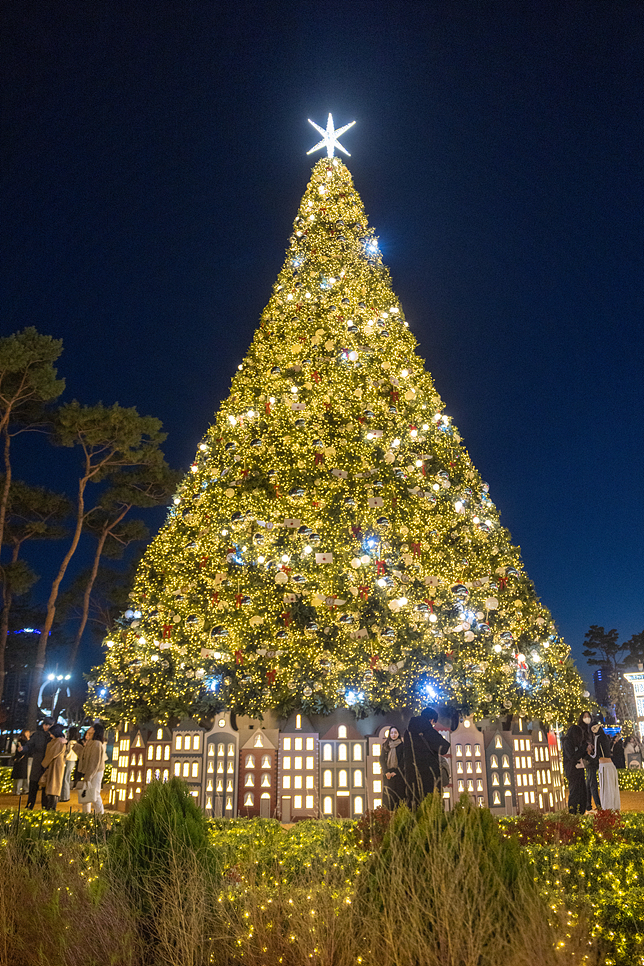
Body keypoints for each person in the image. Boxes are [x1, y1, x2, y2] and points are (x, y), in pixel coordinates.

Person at [404, 707, 450, 808]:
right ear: (431, 720)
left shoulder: (408, 732)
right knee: (432, 807)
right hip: (429, 775)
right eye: (434, 723)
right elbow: (444, 748)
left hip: (411, 775)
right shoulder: (427, 730)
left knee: (415, 805)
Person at [588, 719, 621, 811]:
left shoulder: (597, 737)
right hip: (610, 765)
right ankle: (614, 808)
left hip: (604, 766)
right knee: (612, 788)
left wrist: (589, 752)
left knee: (606, 789)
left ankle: (607, 809)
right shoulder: (605, 737)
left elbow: (595, 756)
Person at [78, 722, 107, 814]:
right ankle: (86, 813)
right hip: (91, 772)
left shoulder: (96, 744)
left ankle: (99, 813)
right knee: (87, 793)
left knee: (94, 793)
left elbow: (94, 762)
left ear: (95, 731)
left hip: (95, 772)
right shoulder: (92, 743)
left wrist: (88, 776)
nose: (89, 730)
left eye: (91, 729)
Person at [23, 718, 52, 809]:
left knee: (46, 786)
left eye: (48, 725)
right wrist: (23, 749)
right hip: (37, 762)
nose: (46, 726)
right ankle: (30, 804)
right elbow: (29, 745)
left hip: (48, 764)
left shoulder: (54, 736)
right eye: (45, 724)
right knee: (33, 784)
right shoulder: (37, 734)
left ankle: (45, 805)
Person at [39, 723, 67, 810]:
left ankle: (50, 807)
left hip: (54, 766)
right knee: (53, 786)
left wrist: (44, 764)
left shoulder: (57, 742)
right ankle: (50, 807)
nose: (50, 735)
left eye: (51, 733)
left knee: (52, 787)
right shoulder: (59, 741)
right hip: (56, 766)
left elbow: (51, 755)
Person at [562, 724, 588, 814]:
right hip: (572, 771)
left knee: (582, 792)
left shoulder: (574, 743)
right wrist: (584, 748)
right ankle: (573, 812)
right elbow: (573, 757)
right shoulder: (567, 743)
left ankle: (580, 810)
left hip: (578, 770)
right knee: (574, 792)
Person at [380, 726, 406, 809]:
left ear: (398, 734)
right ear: (389, 734)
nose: (393, 734)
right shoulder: (385, 745)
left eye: (395, 733)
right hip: (387, 774)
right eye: (391, 733)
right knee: (388, 796)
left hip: (399, 774)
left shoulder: (402, 746)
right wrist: (386, 772)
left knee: (399, 796)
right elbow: (382, 759)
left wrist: (397, 772)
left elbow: (404, 760)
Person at [60, 726, 82, 802]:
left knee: (65, 778)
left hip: (68, 760)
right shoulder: (76, 742)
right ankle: (65, 796)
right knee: (67, 778)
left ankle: (65, 796)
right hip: (73, 761)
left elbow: (67, 752)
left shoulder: (70, 742)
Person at [11, 730, 31, 796]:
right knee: (22, 776)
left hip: (19, 761)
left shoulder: (18, 741)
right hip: (22, 761)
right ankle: (20, 790)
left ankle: (17, 790)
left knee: (20, 776)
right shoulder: (24, 742)